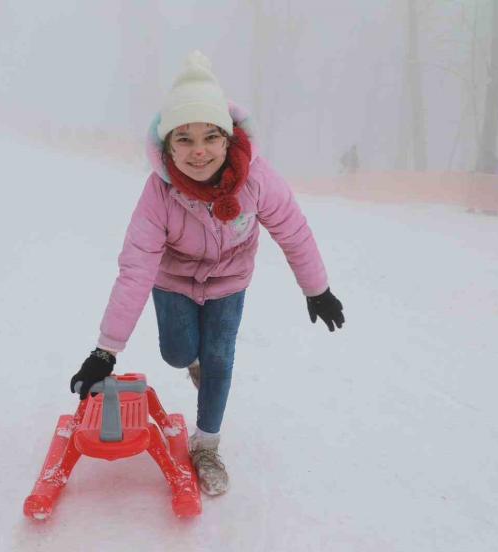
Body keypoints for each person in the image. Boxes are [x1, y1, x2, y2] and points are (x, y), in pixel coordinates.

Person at [69, 51, 345, 496]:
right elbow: (135, 269)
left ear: (228, 139)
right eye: (184, 139)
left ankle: (207, 447)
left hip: (229, 282)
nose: (199, 151)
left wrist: (318, 289)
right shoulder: (158, 194)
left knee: (220, 358)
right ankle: (192, 362)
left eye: (210, 137)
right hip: (173, 282)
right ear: (168, 146)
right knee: (178, 352)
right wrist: (106, 352)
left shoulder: (257, 179)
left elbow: (293, 231)